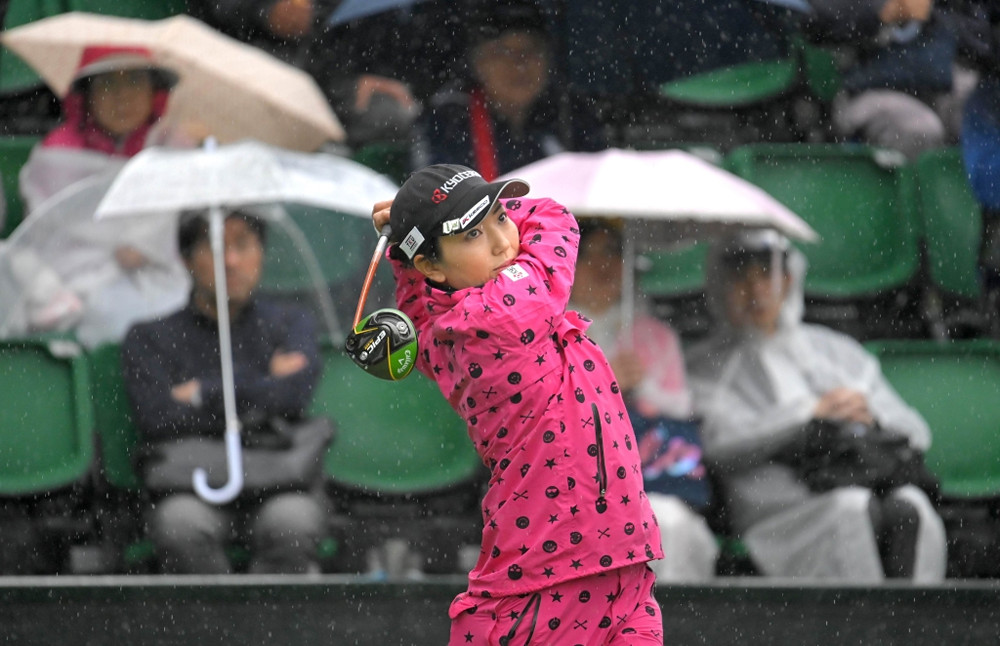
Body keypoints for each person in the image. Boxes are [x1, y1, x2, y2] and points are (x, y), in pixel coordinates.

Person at [372, 165, 664, 644]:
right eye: (471, 234)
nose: (502, 243)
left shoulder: (438, 333)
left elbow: (421, 304)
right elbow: (556, 218)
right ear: (432, 266)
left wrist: (410, 243)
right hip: (552, 577)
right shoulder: (501, 310)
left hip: (614, 565)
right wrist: (413, 238)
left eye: (500, 219)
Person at [685, 230, 947, 582]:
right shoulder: (705, 366)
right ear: (719, 287)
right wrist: (806, 416)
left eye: (766, 275)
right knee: (850, 509)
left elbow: (915, 432)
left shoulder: (833, 352)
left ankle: (914, 629)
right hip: (776, 506)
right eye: (740, 279)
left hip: (858, 481)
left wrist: (868, 415)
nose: (756, 291)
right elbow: (718, 445)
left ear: (788, 280)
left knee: (910, 506)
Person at [121, 208, 328, 574]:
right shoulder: (149, 338)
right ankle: (216, 631)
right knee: (181, 527)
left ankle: (270, 628)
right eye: (215, 248)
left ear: (261, 254)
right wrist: (264, 384)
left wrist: (203, 392)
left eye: (243, 245)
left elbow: (294, 396)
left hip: (278, 481)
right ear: (186, 260)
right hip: (190, 487)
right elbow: (157, 418)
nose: (231, 261)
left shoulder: (290, 324)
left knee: (293, 524)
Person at [9, 46, 191, 347]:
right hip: (67, 290)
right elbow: (45, 238)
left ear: (153, 93)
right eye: (108, 84)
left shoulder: (167, 149)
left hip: (154, 279)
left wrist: (147, 245)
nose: (122, 96)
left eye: (134, 82)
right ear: (86, 95)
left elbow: (172, 233)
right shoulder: (58, 154)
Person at [568, 219, 718, 582]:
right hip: (571, 489)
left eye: (613, 254)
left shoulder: (656, 337)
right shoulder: (545, 332)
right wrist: (605, 385)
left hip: (649, 481)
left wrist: (643, 389)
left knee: (666, 524)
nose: (602, 266)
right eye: (589, 256)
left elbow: (679, 416)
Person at [413, 0, 606, 180]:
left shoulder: (572, 116)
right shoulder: (449, 119)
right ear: (478, 64)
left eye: (531, 50)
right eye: (502, 52)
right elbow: (434, 196)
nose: (519, 64)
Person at [798, 0, 982, 160]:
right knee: (921, 130)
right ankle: (905, 198)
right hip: (866, 92)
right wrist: (884, 8)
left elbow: (979, 28)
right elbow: (814, 18)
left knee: (988, 112)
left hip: (940, 88)